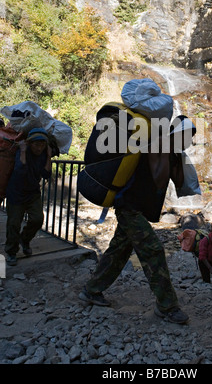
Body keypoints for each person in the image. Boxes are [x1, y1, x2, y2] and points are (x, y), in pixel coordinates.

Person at [79, 115, 196, 325]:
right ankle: (167, 306)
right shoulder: (157, 145)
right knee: (154, 250)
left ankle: (91, 290)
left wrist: (179, 158)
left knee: (118, 250)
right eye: (187, 136)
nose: (190, 141)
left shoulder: (173, 152)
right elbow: (160, 180)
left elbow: (178, 182)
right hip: (129, 207)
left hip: (137, 210)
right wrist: (168, 149)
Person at [5, 127, 52, 266]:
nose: (39, 147)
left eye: (42, 144)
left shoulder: (44, 155)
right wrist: (24, 151)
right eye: (37, 144)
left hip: (32, 193)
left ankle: (24, 240)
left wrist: (48, 156)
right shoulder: (22, 151)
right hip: (16, 193)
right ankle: (11, 252)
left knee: (38, 219)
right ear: (30, 143)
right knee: (14, 223)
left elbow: (46, 175)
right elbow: (20, 172)